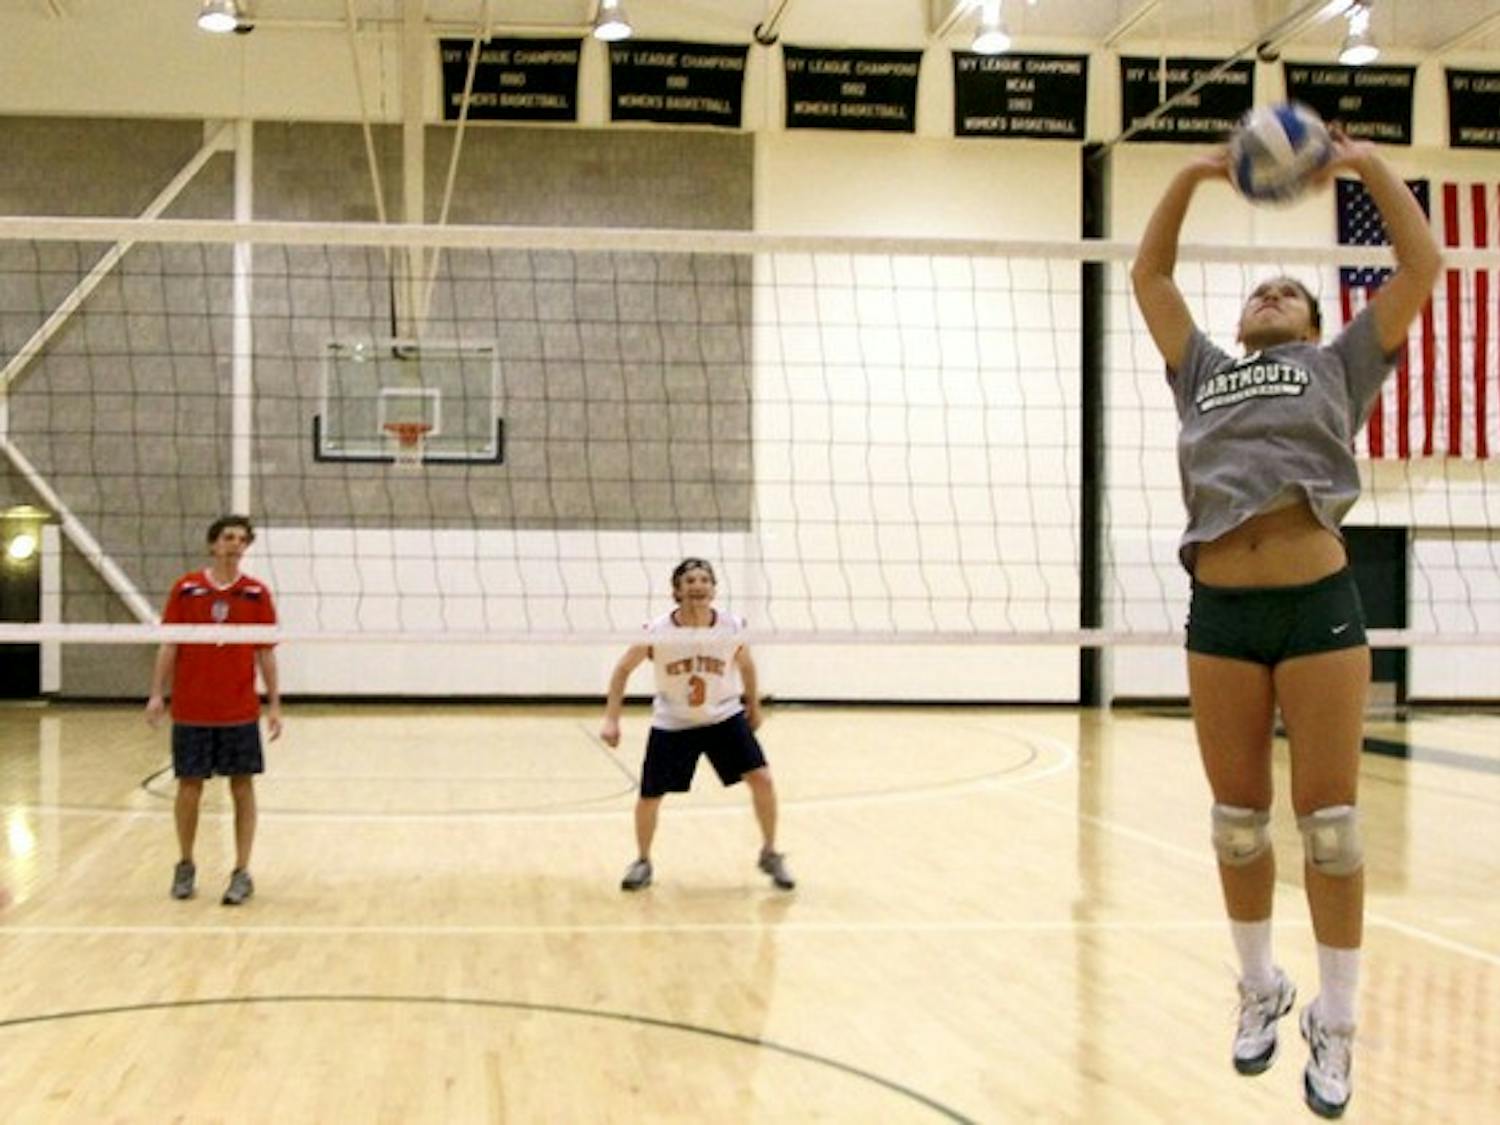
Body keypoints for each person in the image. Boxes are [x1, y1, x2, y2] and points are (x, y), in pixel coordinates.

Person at [1131, 130, 1440, 1119]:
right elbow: (1149, 273)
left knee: (1334, 827)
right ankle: (1260, 986)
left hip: (1317, 605)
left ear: (1314, 319)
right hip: (1220, 608)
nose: (1269, 296)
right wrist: (1189, 174)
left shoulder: (1338, 363)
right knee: (1235, 824)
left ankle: (1336, 1018)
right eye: (1257, 292)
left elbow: (1423, 263)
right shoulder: (1204, 371)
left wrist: (1360, 167)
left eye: (1288, 292)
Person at [600, 557, 794, 893]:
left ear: (713, 589)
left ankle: (770, 852)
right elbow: (622, 670)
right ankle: (642, 860)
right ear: (677, 591)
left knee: (761, 778)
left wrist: (754, 705)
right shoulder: (657, 632)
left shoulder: (731, 626)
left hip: (723, 717)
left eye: (705, 580)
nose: (698, 586)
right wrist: (611, 718)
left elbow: (746, 665)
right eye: (690, 581)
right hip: (673, 722)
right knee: (650, 795)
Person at [145, 515, 282, 906]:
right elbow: (169, 645)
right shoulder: (186, 589)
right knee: (190, 787)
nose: (235, 544)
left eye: (242, 539)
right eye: (228, 537)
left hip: (238, 709)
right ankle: (185, 865)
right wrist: (157, 694)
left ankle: (241, 871)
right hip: (191, 708)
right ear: (213, 544)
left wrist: (274, 704)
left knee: (242, 787)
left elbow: (266, 653)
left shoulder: (256, 594)